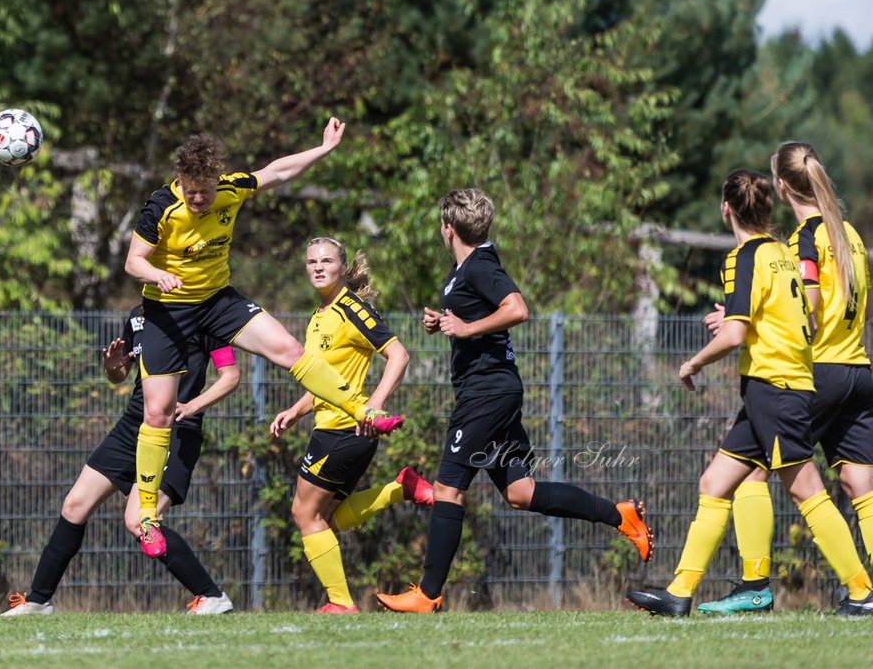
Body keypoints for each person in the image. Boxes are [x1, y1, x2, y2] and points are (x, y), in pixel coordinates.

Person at [125, 118, 403, 558]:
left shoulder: (231, 189)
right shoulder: (161, 206)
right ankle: (147, 518)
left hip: (217, 301)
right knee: (157, 412)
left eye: (206, 191)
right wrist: (158, 273)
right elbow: (133, 261)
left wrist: (324, 148)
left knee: (290, 349)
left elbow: (277, 171)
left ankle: (364, 409)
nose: (199, 199)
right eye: (191, 190)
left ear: (218, 180)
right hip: (167, 311)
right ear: (180, 181)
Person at [376, 188, 653, 613]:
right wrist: (445, 322)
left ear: (448, 228)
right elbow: (480, 315)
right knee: (522, 492)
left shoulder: (480, 263)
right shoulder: (464, 267)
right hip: (494, 391)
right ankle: (619, 515)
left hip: (485, 394)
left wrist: (467, 330)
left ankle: (428, 594)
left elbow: (517, 308)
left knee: (448, 489)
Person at [626, 169, 873, 617]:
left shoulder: (743, 257)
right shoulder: (783, 252)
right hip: (781, 385)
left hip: (776, 389)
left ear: (726, 209)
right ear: (767, 206)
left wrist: (693, 362)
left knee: (806, 492)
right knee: (715, 483)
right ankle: (679, 592)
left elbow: (736, 333)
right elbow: (801, 318)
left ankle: (861, 591)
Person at [696, 143, 873, 615]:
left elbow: (806, 310)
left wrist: (743, 320)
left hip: (821, 371)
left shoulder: (804, 239)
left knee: (752, 467)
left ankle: (754, 582)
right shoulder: (851, 234)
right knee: (861, 485)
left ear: (779, 185)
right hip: (860, 369)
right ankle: (866, 593)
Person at [3, 304, 240, 616]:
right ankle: (38, 601)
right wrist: (113, 367)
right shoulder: (137, 317)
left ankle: (212, 596)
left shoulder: (201, 313)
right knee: (74, 506)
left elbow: (231, 375)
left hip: (175, 430)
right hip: (132, 426)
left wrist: (193, 405)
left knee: (139, 520)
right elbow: (119, 376)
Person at [269, 236, 432, 614]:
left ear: (343, 268)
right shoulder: (318, 316)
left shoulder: (351, 309)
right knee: (324, 519)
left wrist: (374, 405)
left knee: (303, 514)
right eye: (312, 262)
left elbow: (399, 354)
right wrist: (295, 411)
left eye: (327, 261)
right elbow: (325, 381)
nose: (319, 267)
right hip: (338, 429)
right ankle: (399, 488)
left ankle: (341, 603)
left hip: (344, 430)